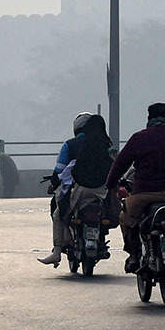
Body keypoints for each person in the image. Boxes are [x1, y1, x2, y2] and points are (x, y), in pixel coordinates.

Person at [105, 102, 165, 273]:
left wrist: (111, 183)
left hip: (144, 195)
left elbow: (120, 164)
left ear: (149, 118)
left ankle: (134, 255)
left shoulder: (139, 138)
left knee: (126, 218)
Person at [39, 112, 115, 266]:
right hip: (102, 190)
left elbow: (61, 169)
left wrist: (55, 181)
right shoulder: (106, 145)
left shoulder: (73, 145)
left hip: (80, 189)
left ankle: (57, 250)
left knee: (59, 213)